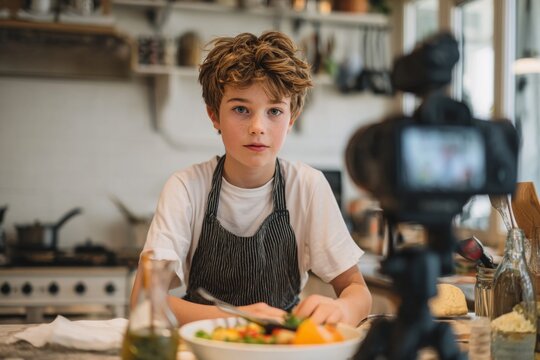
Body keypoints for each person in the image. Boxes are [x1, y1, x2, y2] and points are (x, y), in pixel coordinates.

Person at [131, 31, 372, 327]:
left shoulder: (308, 187)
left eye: (274, 111)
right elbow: (144, 298)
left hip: (281, 347)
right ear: (214, 115)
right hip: (204, 348)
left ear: (291, 118)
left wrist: (344, 310)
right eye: (241, 109)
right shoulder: (187, 188)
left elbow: (357, 290)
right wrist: (240, 319)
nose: (258, 127)